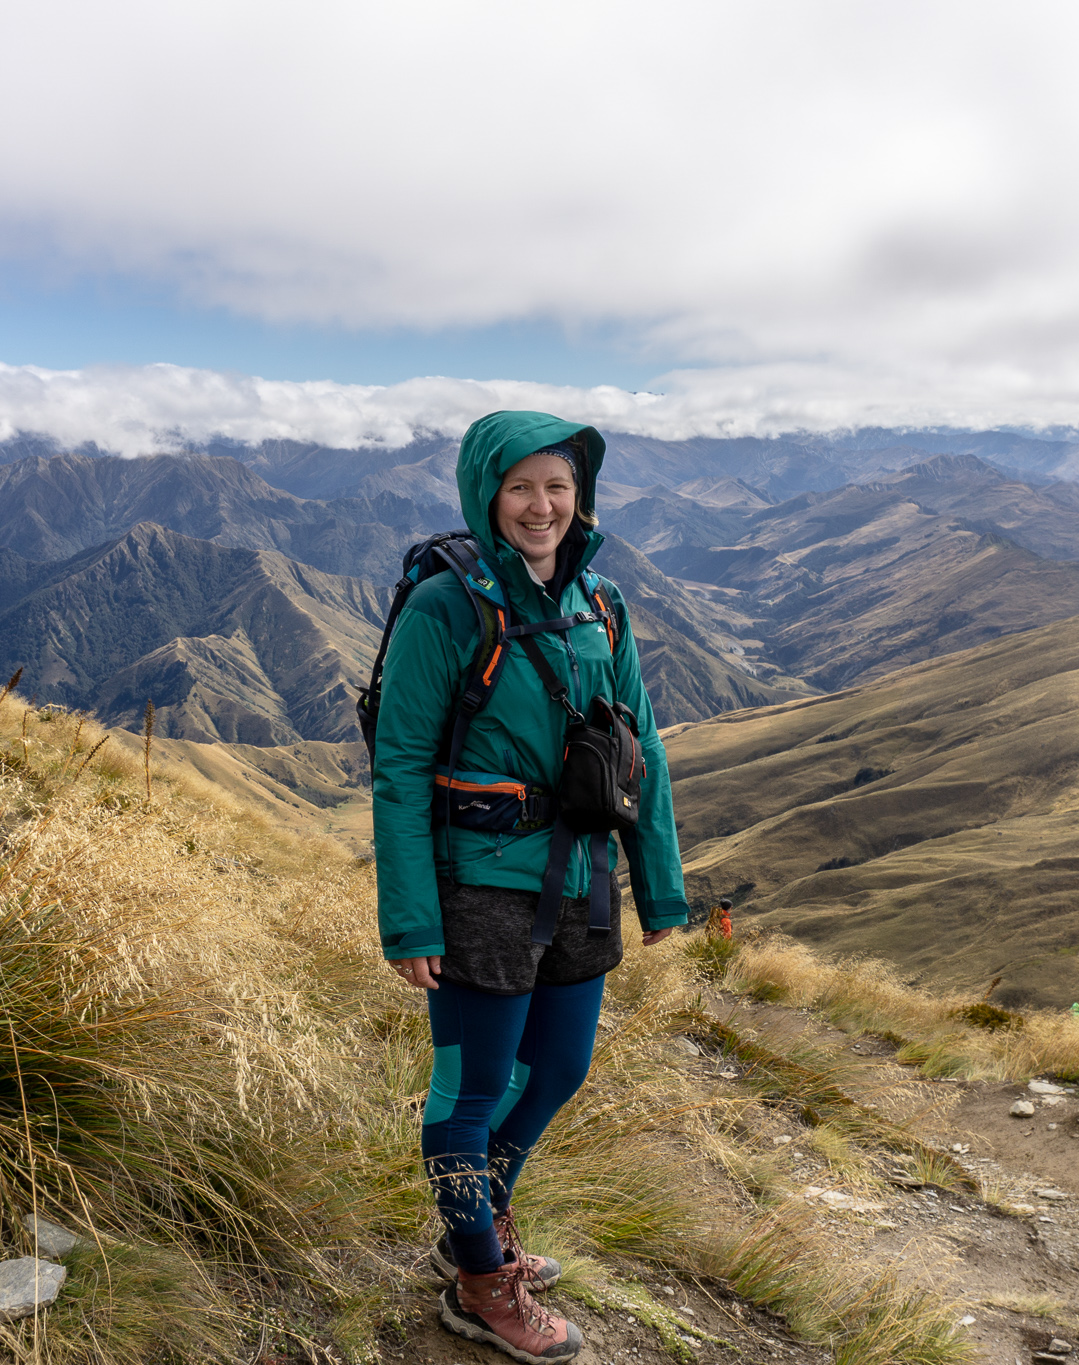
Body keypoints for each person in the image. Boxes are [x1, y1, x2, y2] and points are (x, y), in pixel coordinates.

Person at [372, 411, 690, 1364]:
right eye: (521, 488)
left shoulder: (603, 602)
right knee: (466, 1098)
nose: (542, 506)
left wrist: (660, 886)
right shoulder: (446, 609)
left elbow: (645, 748)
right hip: (480, 888)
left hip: (583, 876)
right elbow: (400, 766)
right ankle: (477, 1281)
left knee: (557, 1070)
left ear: (579, 495)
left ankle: (480, 1221)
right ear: (487, 496)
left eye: (557, 486)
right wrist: (410, 919)